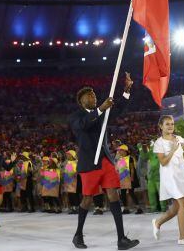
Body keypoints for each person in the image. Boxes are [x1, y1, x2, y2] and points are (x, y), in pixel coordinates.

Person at [69, 72, 139, 250]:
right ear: (81, 100)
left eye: (93, 94)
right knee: (87, 199)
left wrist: (127, 90)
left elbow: (120, 108)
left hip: (105, 160)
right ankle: (78, 235)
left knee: (113, 195)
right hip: (89, 163)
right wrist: (100, 109)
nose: (93, 96)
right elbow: (84, 125)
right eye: (89, 95)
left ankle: (121, 239)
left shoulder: (102, 114)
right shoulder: (76, 116)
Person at [151, 115, 184, 246]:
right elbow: (163, 162)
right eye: (167, 124)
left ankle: (157, 222)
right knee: (183, 203)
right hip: (169, 176)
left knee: (176, 208)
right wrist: (173, 150)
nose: (170, 126)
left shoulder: (180, 139)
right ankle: (182, 237)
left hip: (181, 175)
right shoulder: (159, 143)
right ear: (161, 126)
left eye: (172, 124)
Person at [139, 139, 167, 213]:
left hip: (160, 177)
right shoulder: (151, 152)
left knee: (161, 193)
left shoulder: (162, 152)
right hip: (151, 177)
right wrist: (141, 147)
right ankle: (153, 208)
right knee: (151, 193)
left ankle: (164, 208)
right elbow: (144, 157)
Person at [115, 144, 142, 214]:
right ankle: (126, 209)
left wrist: (132, 177)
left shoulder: (130, 158)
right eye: (119, 151)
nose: (119, 152)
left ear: (125, 151)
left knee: (131, 192)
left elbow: (132, 168)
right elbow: (117, 169)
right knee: (123, 194)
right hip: (122, 179)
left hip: (129, 178)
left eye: (120, 150)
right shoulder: (120, 159)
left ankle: (138, 208)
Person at [63, 150, 80, 215]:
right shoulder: (67, 162)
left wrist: (75, 174)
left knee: (75, 194)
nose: (67, 155)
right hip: (68, 181)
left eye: (68, 154)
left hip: (75, 180)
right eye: (67, 154)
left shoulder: (77, 162)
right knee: (70, 194)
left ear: (72, 155)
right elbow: (67, 171)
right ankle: (73, 207)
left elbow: (78, 170)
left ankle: (77, 207)